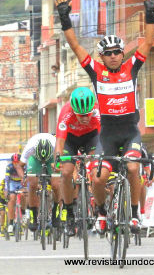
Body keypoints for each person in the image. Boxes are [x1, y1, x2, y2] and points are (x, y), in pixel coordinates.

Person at [55, 0, 154, 234]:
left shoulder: (132, 67)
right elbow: (74, 44)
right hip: (106, 134)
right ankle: (102, 211)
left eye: (117, 52)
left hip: (130, 131)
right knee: (99, 178)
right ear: (101, 57)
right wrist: (64, 17)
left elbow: (147, 40)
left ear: (122, 54)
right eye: (108, 53)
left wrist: (150, 11)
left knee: (134, 168)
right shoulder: (96, 72)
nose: (113, 56)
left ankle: (134, 215)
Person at [54, 87, 101, 236]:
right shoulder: (65, 112)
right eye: (81, 115)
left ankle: (99, 206)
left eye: (87, 114)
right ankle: (68, 211)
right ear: (74, 110)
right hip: (71, 140)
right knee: (67, 172)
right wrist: (57, 160)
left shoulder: (98, 111)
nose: (85, 118)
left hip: (92, 137)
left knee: (96, 170)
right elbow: (60, 142)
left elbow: (104, 136)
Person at [16, 133, 59, 233]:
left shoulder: (55, 145)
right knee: (32, 185)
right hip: (34, 159)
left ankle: (55, 210)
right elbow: (19, 166)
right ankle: (33, 215)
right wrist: (23, 178)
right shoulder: (30, 148)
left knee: (56, 185)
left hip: (51, 158)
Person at [5, 153, 25, 235]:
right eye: (14, 162)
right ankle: (10, 223)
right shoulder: (9, 167)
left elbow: (26, 179)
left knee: (24, 194)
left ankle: (23, 212)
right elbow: (7, 180)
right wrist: (6, 190)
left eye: (17, 162)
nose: (16, 164)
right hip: (12, 183)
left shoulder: (24, 166)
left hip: (21, 183)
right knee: (12, 199)